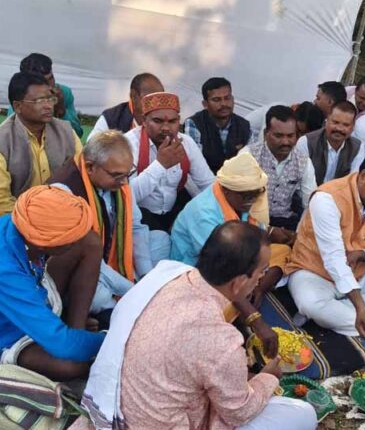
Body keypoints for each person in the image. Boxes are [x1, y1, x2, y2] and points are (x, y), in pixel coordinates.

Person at [81, 221, 317, 430]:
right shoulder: (222, 341)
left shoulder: (167, 276)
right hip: (162, 422)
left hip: (120, 402)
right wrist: (268, 378)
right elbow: (238, 412)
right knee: (303, 414)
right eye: (261, 272)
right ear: (238, 282)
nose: (261, 279)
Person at [0, 186, 106, 381]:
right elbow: (61, 345)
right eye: (69, 239)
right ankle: (71, 337)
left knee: (89, 242)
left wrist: (76, 338)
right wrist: (111, 339)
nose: (75, 242)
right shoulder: (2, 272)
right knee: (71, 365)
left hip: (30, 294)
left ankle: (75, 332)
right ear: (45, 244)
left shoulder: (21, 224)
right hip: (1, 338)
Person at [170, 152, 296, 360]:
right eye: (246, 196)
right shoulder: (203, 214)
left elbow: (255, 235)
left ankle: (256, 289)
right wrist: (255, 319)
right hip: (200, 273)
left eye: (256, 194)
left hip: (237, 263)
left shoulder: (244, 200)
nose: (252, 200)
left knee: (283, 250)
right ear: (226, 190)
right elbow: (223, 273)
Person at [287, 148, 365, 344]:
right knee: (311, 304)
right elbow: (333, 259)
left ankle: (332, 315)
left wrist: (364, 255)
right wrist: (359, 305)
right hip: (314, 271)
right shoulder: (327, 198)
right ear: (363, 176)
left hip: (358, 274)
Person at [48, 131, 171, 313]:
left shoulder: (119, 180)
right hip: (84, 265)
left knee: (161, 239)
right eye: (117, 176)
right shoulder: (65, 191)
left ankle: (130, 294)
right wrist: (134, 290)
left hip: (112, 254)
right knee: (95, 298)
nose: (124, 182)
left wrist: (146, 274)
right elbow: (87, 257)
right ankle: (126, 308)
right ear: (90, 167)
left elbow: (135, 227)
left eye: (128, 174)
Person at [0, 72, 82, 213]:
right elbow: (0, 202)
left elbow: (82, 175)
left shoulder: (66, 132)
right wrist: (40, 220)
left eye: (50, 99)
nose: (48, 106)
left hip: (63, 212)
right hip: (11, 217)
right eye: (39, 101)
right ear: (18, 106)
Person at [126, 92, 215, 231]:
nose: (166, 128)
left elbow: (208, 185)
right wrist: (160, 165)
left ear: (179, 120)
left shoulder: (186, 143)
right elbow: (127, 196)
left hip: (175, 213)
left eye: (172, 121)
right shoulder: (128, 144)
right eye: (158, 121)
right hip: (137, 217)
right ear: (144, 120)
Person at [242, 105, 316, 231]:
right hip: (249, 222)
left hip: (285, 223)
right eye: (278, 136)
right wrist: (267, 230)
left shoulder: (304, 162)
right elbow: (238, 200)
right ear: (265, 134)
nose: (285, 142)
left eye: (290, 136)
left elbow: (310, 204)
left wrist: (299, 233)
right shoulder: (248, 155)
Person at [184, 77, 251, 174]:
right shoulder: (194, 124)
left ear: (233, 99)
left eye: (227, 98)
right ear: (205, 104)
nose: (223, 104)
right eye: (216, 100)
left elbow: (250, 162)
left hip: (236, 180)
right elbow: (195, 164)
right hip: (203, 179)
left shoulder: (244, 126)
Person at [8, 53, 83, 137]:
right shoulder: (20, 97)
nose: (50, 86)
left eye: (51, 78)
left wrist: (61, 110)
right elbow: (13, 135)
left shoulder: (64, 93)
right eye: (42, 82)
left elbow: (77, 134)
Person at [296, 101, 364, 185]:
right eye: (335, 122)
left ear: (352, 127)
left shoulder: (357, 147)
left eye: (346, 125)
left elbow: (352, 182)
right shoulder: (306, 142)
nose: (339, 128)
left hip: (339, 192)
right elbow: (302, 181)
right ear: (326, 121)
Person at [87, 73, 164, 140]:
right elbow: (92, 148)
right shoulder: (111, 118)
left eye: (161, 99)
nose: (158, 104)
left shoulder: (167, 120)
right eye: (151, 99)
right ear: (133, 96)